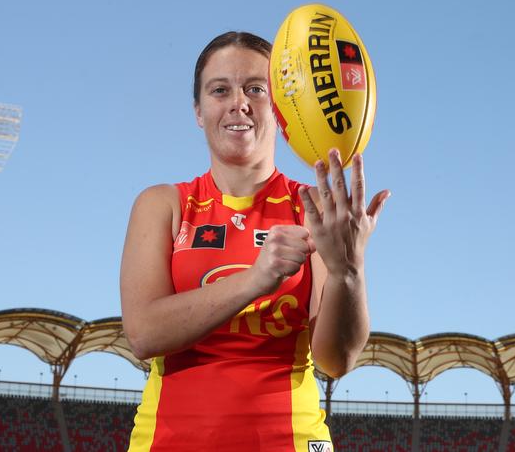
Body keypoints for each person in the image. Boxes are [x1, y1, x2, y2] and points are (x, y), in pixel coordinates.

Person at [120, 31, 390, 452]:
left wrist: (348, 271)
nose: (238, 103)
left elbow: (336, 361)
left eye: (255, 89)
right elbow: (143, 333)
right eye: (220, 90)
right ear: (198, 110)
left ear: (282, 107)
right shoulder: (162, 204)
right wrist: (256, 277)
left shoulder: (315, 206)